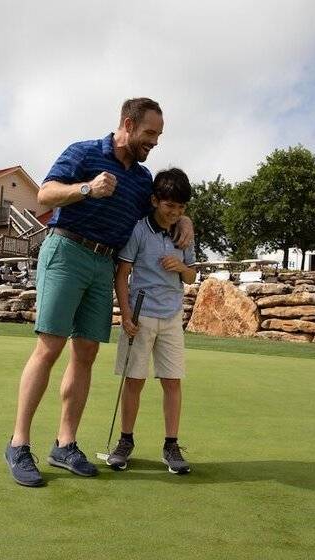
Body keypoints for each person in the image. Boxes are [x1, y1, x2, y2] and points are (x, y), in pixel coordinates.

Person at [4, 97, 193, 487]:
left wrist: (186, 218)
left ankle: (65, 444)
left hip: (105, 263)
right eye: (150, 133)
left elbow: (161, 209)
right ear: (128, 124)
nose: (155, 141)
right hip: (67, 250)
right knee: (49, 347)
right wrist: (87, 188)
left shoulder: (142, 179)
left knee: (86, 352)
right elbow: (45, 194)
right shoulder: (84, 152)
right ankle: (18, 444)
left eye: (159, 135)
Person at [108, 168, 196, 475]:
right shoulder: (139, 230)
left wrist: (181, 268)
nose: (175, 213)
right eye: (170, 205)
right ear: (155, 201)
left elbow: (191, 276)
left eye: (181, 208)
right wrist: (126, 314)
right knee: (134, 381)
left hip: (172, 316)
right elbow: (122, 274)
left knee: (172, 382)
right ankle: (125, 442)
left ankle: (171, 445)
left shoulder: (184, 233)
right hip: (141, 315)